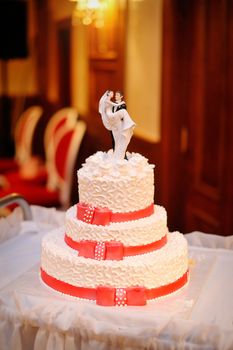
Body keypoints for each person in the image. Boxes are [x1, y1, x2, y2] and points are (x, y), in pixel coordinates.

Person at [99, 90, 136, 160]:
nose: (115, 96)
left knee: (121, 139)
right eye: (115, 95)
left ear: (121, 97)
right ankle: (115, 153)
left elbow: (122, 117)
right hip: (113, 124)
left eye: (117, 95)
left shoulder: (123, 105)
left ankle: (122, 155)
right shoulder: (112, 104)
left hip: (119, 125)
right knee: (114, 139)